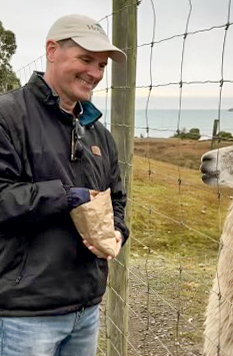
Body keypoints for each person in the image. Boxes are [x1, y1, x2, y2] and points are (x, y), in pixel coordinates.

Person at [0, 14, 129, 356]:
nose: (96, 73)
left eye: (101, 65)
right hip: (24, 315)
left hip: (85, 310)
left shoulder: (100, 133)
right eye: (86, 59)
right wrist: (67, 196)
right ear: (52, 51)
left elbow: (116, 198)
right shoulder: (7, 115)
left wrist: (117, 231)